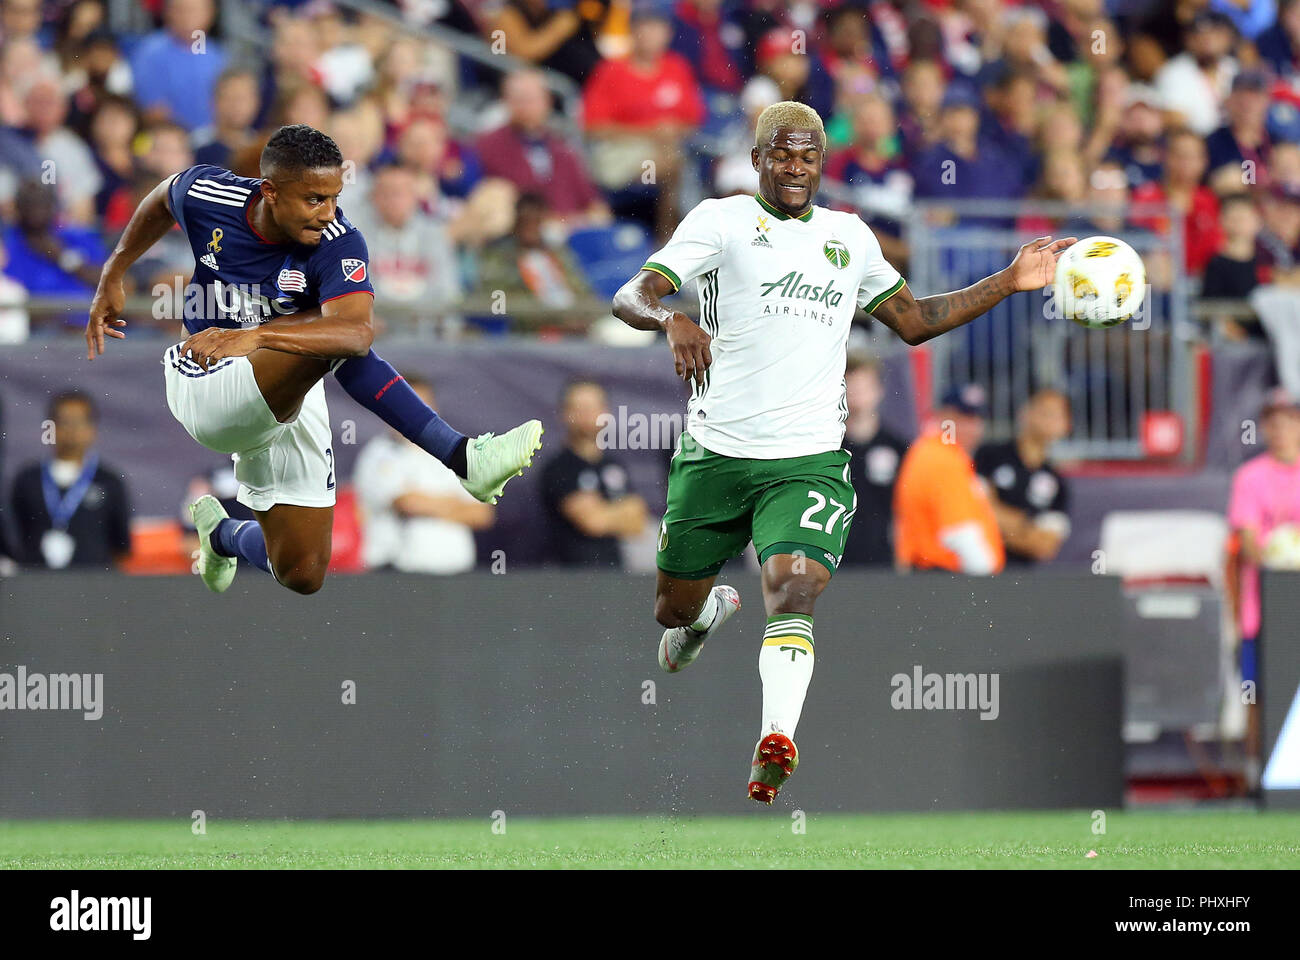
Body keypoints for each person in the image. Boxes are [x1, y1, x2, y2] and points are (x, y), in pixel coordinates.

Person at [612, 100, 1073, 804]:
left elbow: (914, 322)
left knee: (794, 588)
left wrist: (1007, 282)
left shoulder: (849, 237)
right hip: (715, 454)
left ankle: (776, 739)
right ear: (758, 157)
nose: (794, 167)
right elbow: (631, 294)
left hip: (807, 459)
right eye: (781, 153)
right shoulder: (721, 220)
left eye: (807, 156)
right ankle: (704, 616)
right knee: (672, 611)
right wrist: (671, 316)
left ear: (823, 163)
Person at [84, 124, 543, 596]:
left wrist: (257, 336)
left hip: (285, 391)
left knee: (302, 572)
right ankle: (463, 456)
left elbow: (357, 330)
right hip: (205, 379)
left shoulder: (339, 240)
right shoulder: (211, 195)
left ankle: (222, 536)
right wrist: (114, 272)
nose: (327, 213)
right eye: (313, 199)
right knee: (334, 342)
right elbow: (162, 197)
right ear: (270, 191)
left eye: (334, 197)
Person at [1226, 388, 1300, 773]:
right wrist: (1281, 551)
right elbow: (1250, 544)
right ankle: (1258, 774)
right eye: (1273, 422)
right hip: (1263, 609)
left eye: (1290, 420)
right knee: (1257, 692)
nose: (1281, 429)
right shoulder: (1250, 477)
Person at [354, 375, 495, 574]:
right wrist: (456, 503)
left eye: (424, 405)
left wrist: (429, 503)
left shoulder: (455, 452)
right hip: (395, 573)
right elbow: (407, 503)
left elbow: (482, 514)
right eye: (409, 405)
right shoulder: (378, 454)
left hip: (457, 573)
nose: (416, 413)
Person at [10, 390, 131, 569]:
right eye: (64, 421)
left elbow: (121, 547)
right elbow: (16, 536)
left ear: (92, 429)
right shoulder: (27, 480)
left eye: (79, 421)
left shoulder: (109, 482)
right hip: (37, 587)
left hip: (95, 587)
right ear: (49, 428)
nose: (71, 430)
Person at [895, 384, 1005, 578]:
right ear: (942, 416)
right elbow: (959, 533)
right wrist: (988, 587)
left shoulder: (932, 451)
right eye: (962, 418)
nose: (973, 427)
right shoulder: (943, 457)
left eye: (977, 419)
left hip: (928, 575)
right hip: (941, 577)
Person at [541, 379, 647, 567]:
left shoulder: (614, 465)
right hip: (572, 576)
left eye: (593, 407)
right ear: (565, 414)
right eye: (579, 408)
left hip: (616, 573)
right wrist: (618, 513)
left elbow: (638, 521)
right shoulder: (559, 468)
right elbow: (593, 522)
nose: (587, 414)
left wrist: (604, 512)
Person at [974, 387, 1073, 566]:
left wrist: (1003, 525)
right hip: (980, 568)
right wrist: (1027, 525)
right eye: (1046, 412)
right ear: (1025, 413)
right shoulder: (989, 455)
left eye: (1058, 415)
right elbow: (977, 512)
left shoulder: (1057, 483)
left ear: (1066, 425)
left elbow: (1045, 546)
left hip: (1022, 579)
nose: (1050, 420)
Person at [838, 352, 908, 567]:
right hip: (834, 562)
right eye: (851, 389)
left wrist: (903, 563)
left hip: (882, 563)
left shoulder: (899, 448)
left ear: (879, 391)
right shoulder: (826, 449)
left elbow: (904, 513)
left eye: (863, 388)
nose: (857, 397)